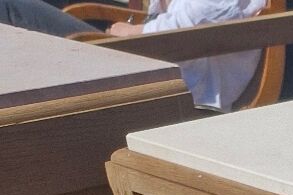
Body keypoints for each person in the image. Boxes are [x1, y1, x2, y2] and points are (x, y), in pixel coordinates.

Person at [0, 0, 265, 111]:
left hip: (170, 84)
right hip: (145, 64)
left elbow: (185, 27)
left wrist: (130, 31)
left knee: (11, 9)